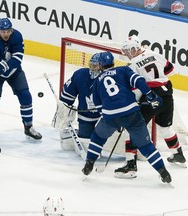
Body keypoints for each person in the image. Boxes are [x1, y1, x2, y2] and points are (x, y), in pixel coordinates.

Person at [82, 51, 172, 184]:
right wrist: (150, 95)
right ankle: (163, 172)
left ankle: (89, 163)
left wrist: (112, 121)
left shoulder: (97, 82)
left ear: (101, 65)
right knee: (146, 145)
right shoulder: (123, 70)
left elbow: (98, 104)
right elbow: (139, 81)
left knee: (98, 137)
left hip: (110, 117)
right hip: (131, 114)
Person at [114, 35, 186, 178]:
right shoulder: (155, 53)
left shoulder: (133, 64)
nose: (127, 54)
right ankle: (177, 154)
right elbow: (170, 69)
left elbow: (135, 89)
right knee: (165, 127)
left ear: (134, 49)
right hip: (166, 93)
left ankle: (130, 165)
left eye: (128, 51)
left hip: (151, 95)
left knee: (132, 128)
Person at [0, 18, 42, 140]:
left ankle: (28, 127)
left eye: (8, 31)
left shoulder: (16, 36)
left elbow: (17, 58)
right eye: (3, 31)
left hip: (14, 72)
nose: (6, 34)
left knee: (25, 96)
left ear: (11, 30)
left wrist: (4, 65)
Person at [57, 53, 101, 154]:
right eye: (91, 65)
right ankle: (78, 133)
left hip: (106, 119)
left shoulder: (111, 78)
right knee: (87, 145)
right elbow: (66, 95)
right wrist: (65, 109)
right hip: (86, 117)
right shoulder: (81, 75)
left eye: (95, 66)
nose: (92, 69)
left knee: (107, 143)